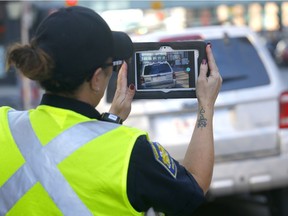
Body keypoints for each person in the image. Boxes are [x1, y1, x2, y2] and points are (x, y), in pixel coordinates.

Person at [0, 6, 222, 216]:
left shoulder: (4, 124)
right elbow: (194, 184)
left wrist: (110, 123)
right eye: (112, 67)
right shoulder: (131, 153)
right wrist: (206, 106)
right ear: (97, 79)